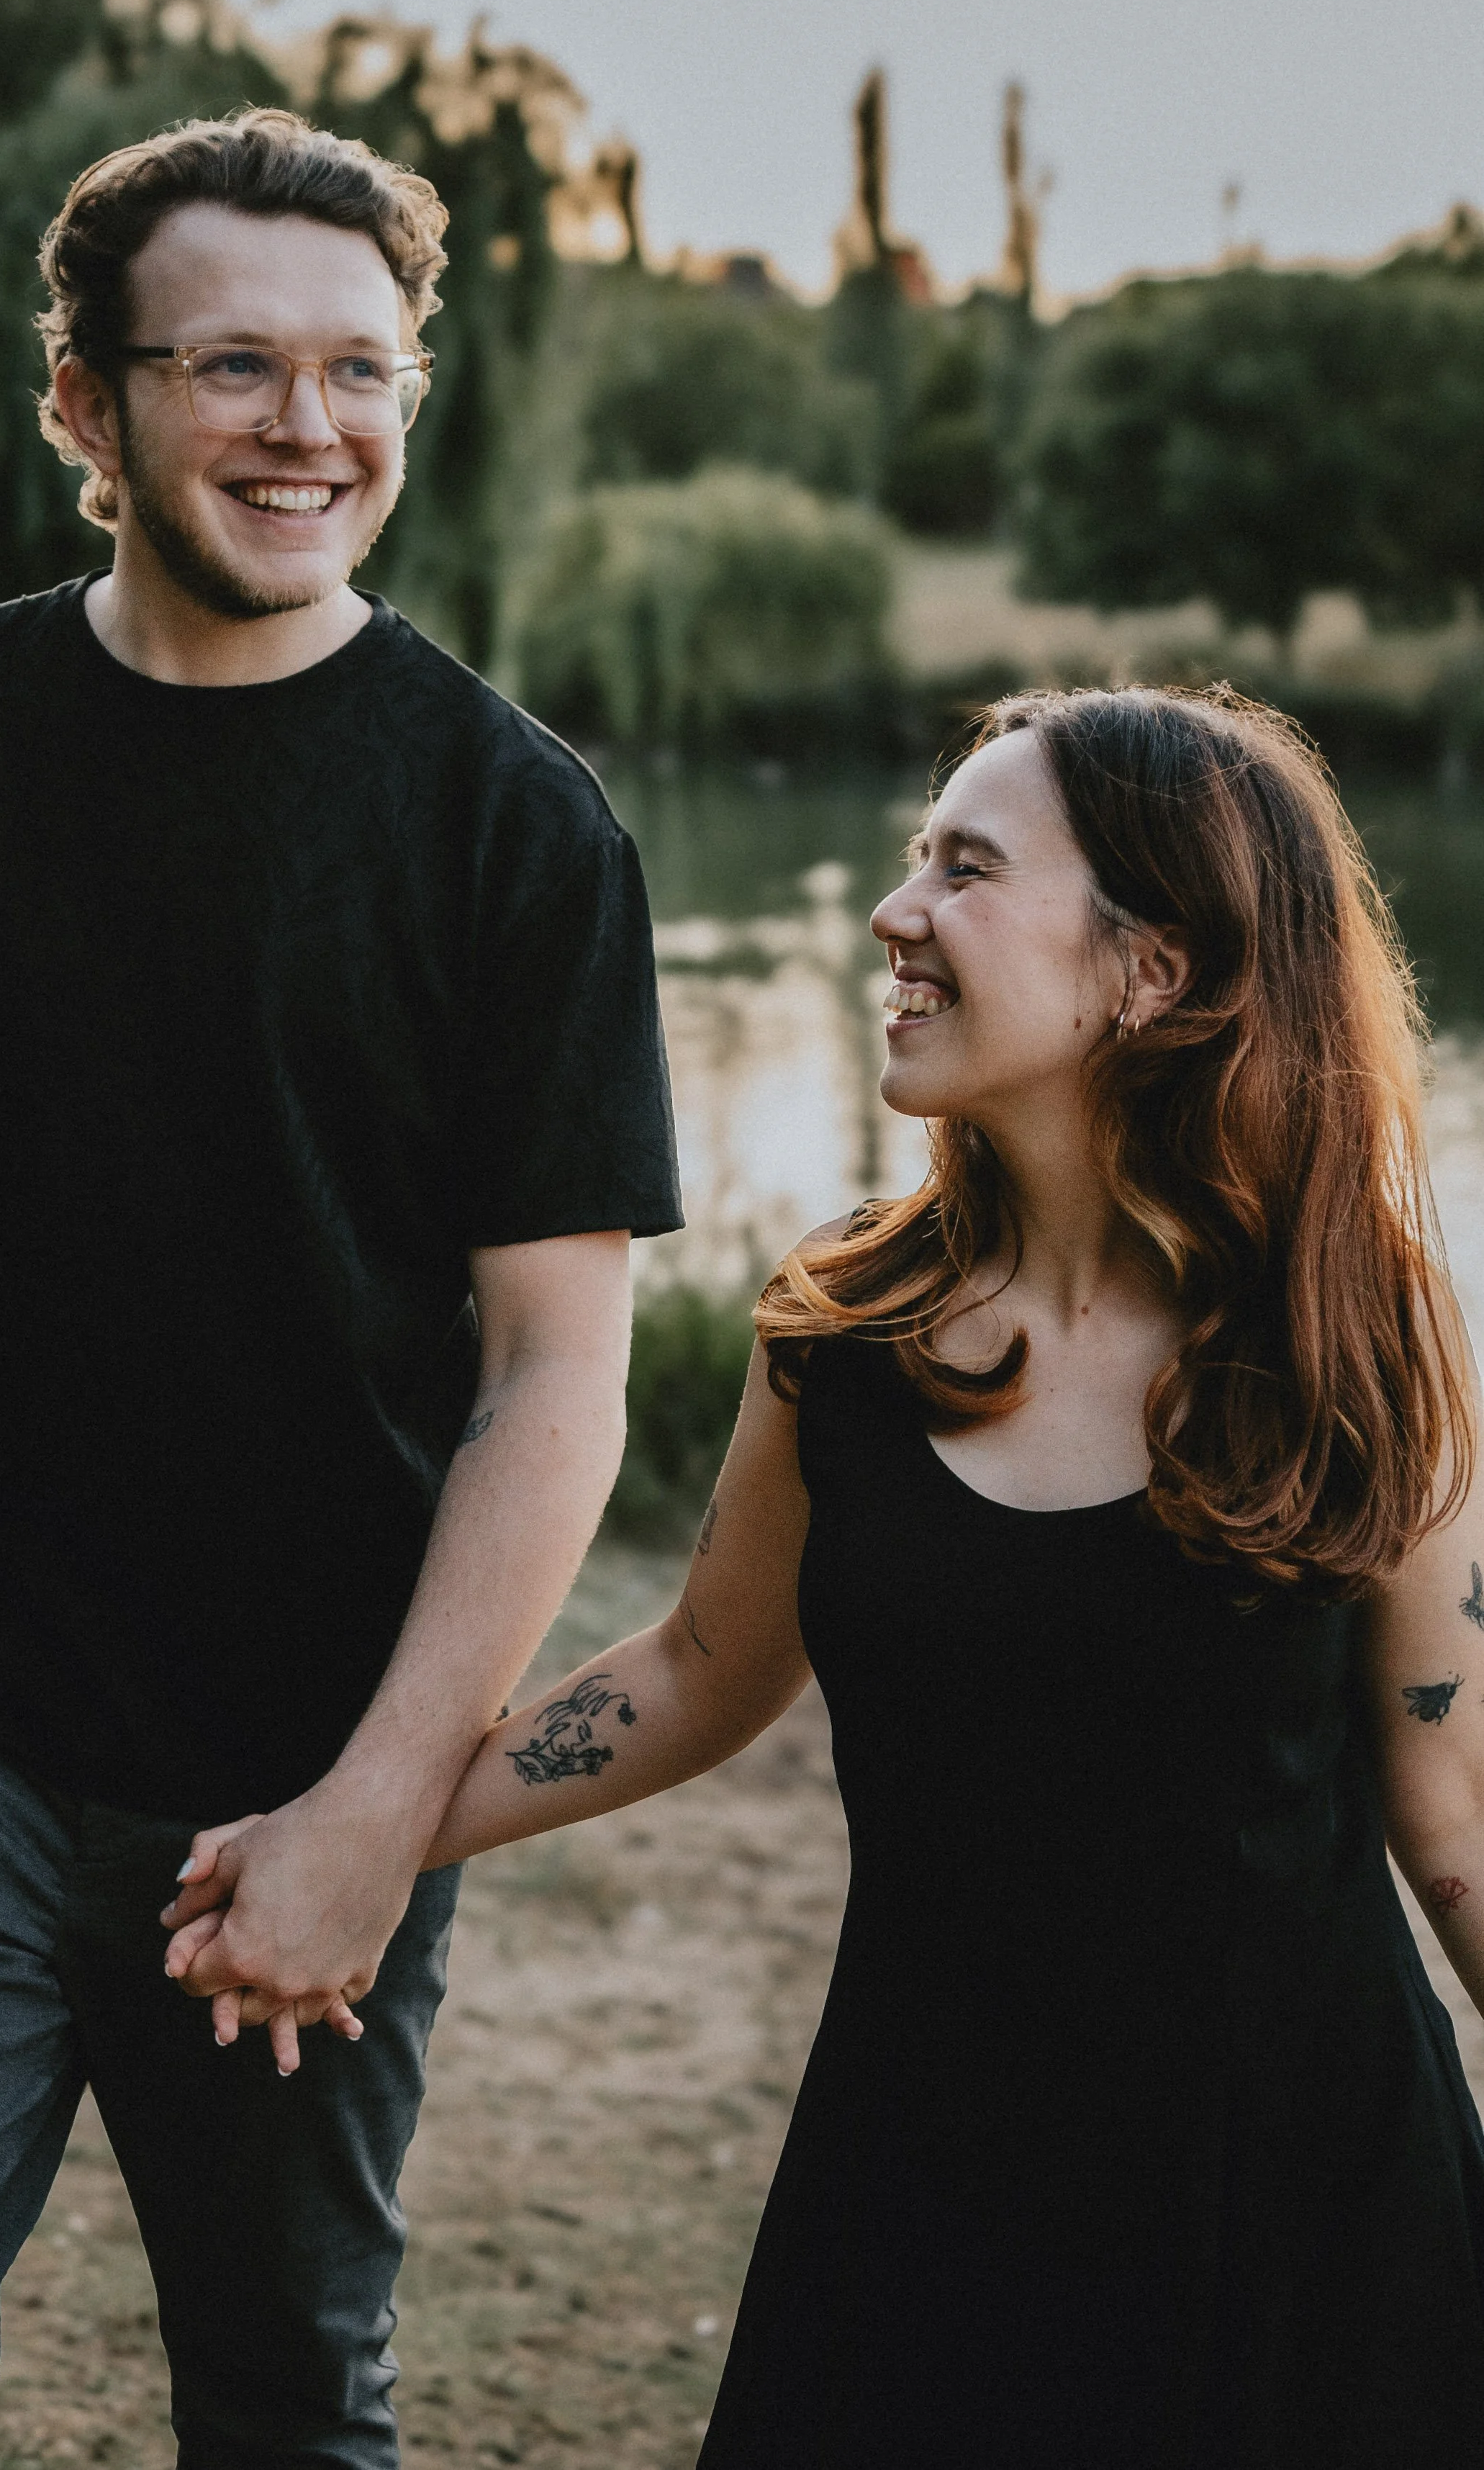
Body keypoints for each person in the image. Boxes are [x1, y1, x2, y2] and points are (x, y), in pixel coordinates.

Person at [0, 107, 681, 2466]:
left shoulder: (514, 826)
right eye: (233, 365)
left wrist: (379, 1802)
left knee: (283, 2387)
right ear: (88, 403)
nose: (306, 427)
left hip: (305, 1760)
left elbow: (555, 1383)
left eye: (360, 370)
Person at [302, 684, 1484, 2468]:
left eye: (962, 868)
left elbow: (1451, 1814)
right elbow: (704, 1666)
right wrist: (363, 1836)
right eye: (911, 858)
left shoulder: (1352, 1330)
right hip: (919, 2177)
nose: (889, 912)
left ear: (1146, 972)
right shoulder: (847, 1328)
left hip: (1296, 2208)